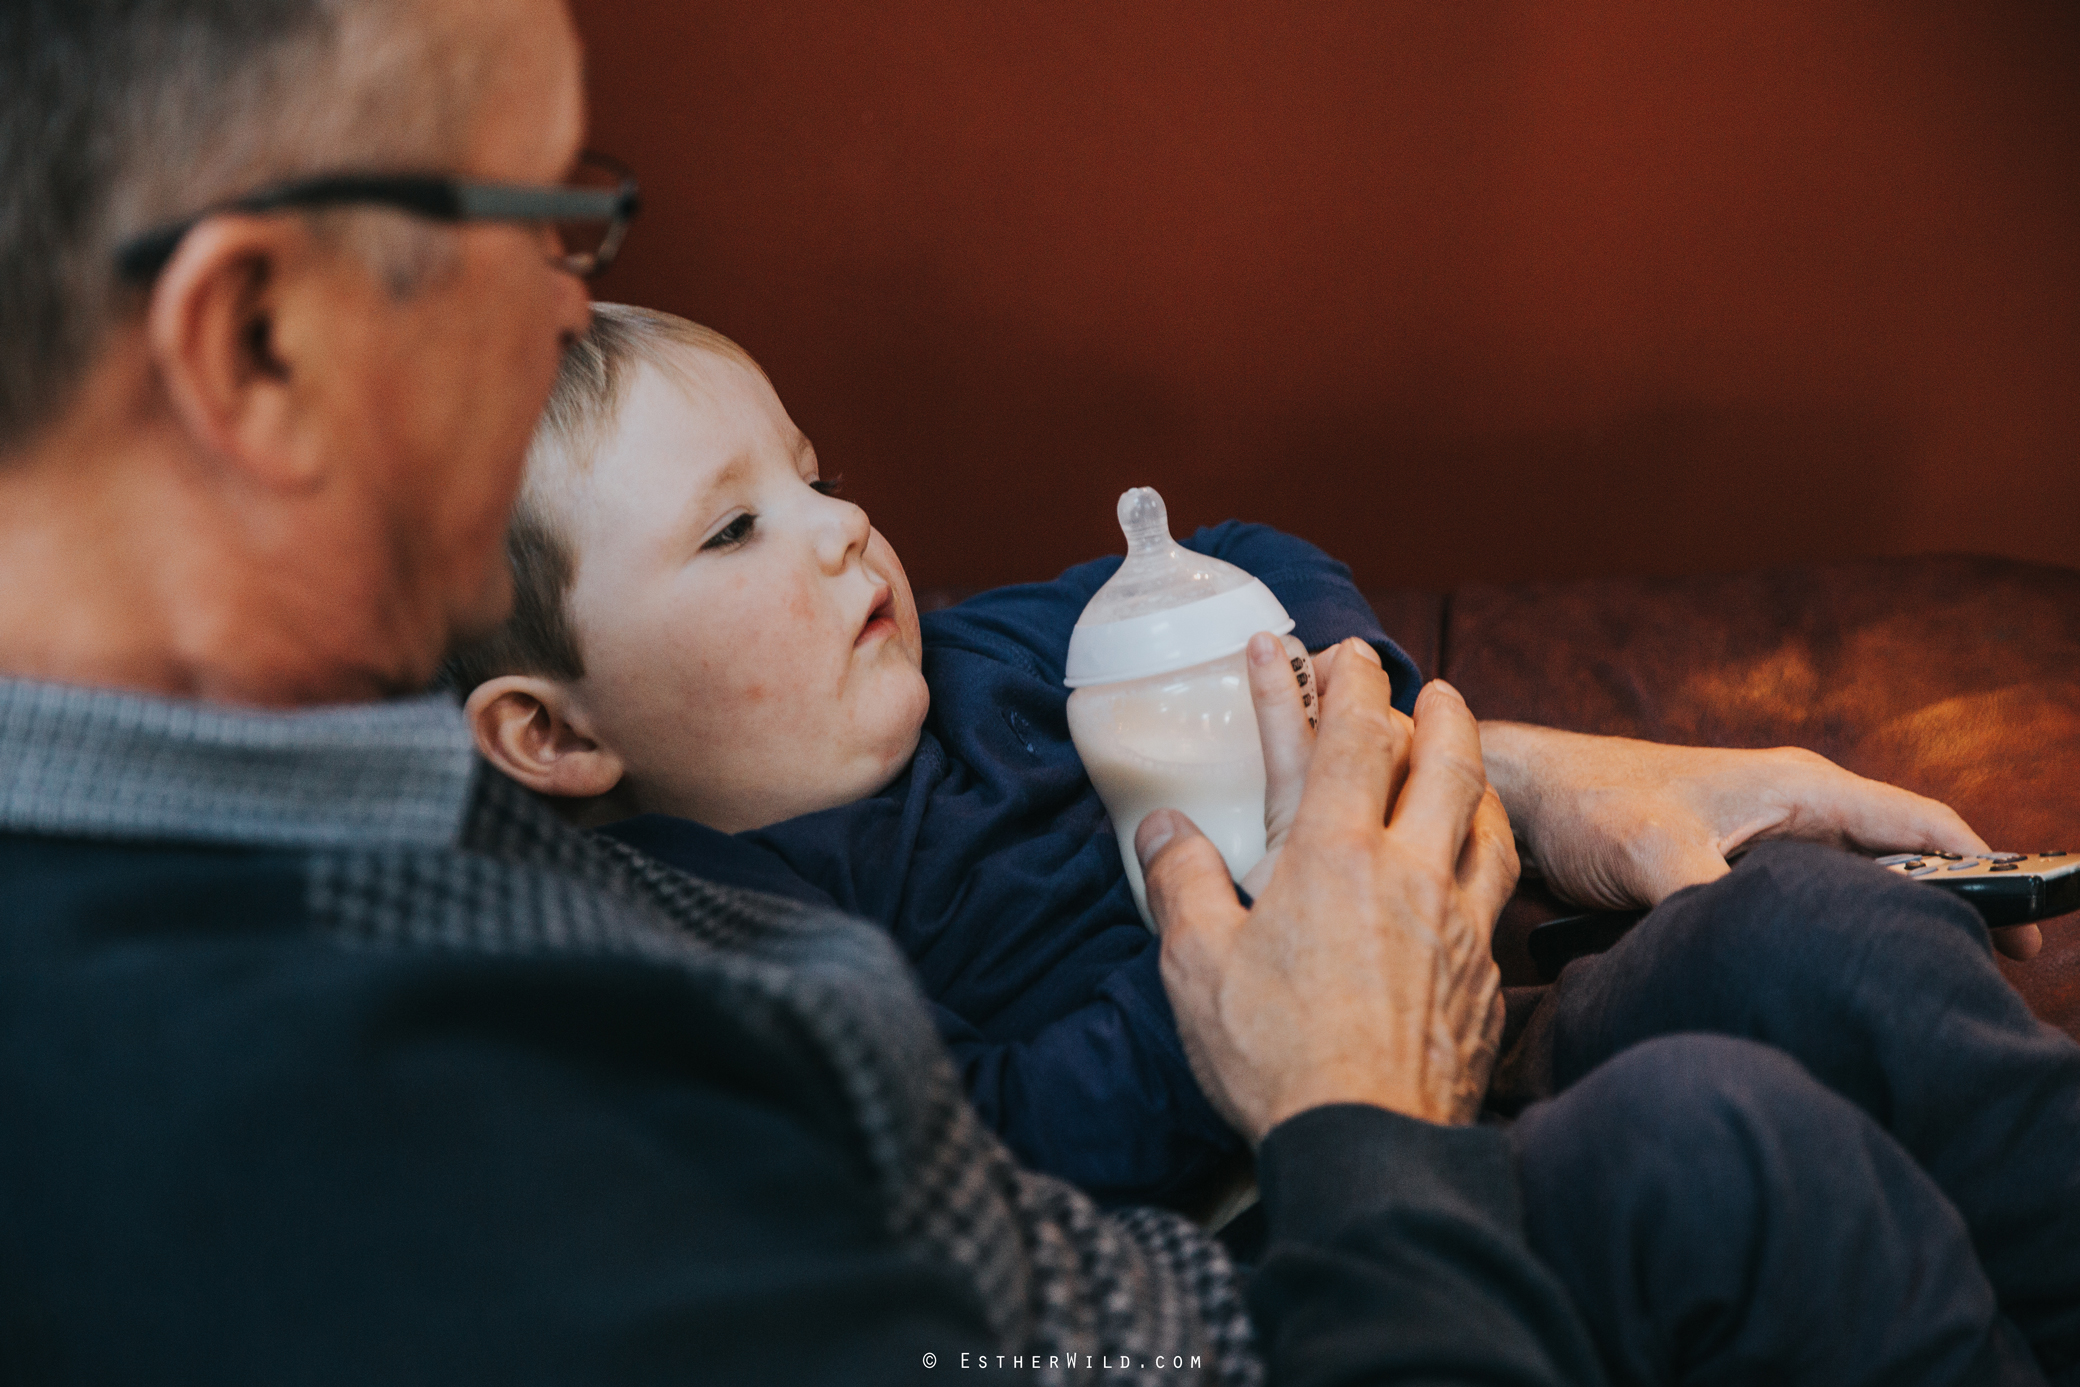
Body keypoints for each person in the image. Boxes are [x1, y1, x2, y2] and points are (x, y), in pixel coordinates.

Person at [0, 3, 2072, 1385]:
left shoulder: (290, 781)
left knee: (1799, 938)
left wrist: (1516, 770)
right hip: (1267, 1264)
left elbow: (1198, 610)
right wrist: (1350, 1098)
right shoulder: (286, 1104)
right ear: (258, 344)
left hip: (1329, 1164)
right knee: (1716, 1153)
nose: (581, 303)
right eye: (543, 221)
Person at [438, 303, 2080, 1383]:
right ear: (559, 731)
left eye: (817, 476)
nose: (840, 530)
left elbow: (1239, 550)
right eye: (737, 529)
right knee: (1697, 1148)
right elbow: (986, 1147)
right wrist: (1255, 963)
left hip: (1445, 1032)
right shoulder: (742, 940)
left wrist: (1351, 690)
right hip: (1271, 1226)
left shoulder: (978, 651)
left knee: (1802, 926)